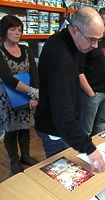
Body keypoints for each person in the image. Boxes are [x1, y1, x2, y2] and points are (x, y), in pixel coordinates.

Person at [34, 7, 105, 172]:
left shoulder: (64, 41)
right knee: (62, 179)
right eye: (91, 39)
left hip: (60, 127)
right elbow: (63, 118)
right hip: (56, 131)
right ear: (75, 30)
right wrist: (90, 148)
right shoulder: (61, 58)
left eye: (98, 40)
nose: (95, 45)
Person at [0, 15, 39, 174]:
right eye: (12, 29)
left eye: (19, 30)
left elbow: (34, 73)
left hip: (27, 96)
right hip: (7, 99)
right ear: (4, 31)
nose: (17, 33)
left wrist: (34, 95)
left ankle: (26, 156)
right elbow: (7, 78)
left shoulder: (26, 49)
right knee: (11, 130)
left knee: (25, 128)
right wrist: (32, 91)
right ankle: (14, 161)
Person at [77, 8, 105, 136]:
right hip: (92, 93)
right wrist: (90, 93)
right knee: (86, 129)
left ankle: (95, 150)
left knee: (101, 125)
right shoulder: (88, 39)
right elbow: (78, 70)